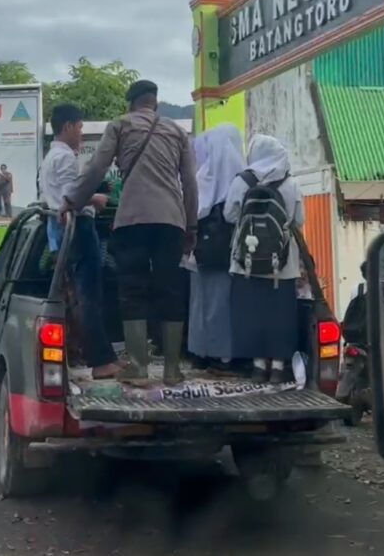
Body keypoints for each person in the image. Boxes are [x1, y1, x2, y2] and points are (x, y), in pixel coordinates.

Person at [62, 80, 198, 386]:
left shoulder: (120, 126)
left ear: (131, 103)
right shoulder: (176, 131)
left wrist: (73, 200)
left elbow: (97, 168)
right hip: (171, 220)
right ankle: (172, 369)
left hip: (133, 219)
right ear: (155, 103)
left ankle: (138, 367)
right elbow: (190, 182)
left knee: (132, 288)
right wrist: (191, 226)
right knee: (170, 289)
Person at [40, 104, 119, 379]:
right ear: (68, 126)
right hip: (79, 228)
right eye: (79, 127)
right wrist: (95, 199)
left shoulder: (50, 157)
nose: (81, 133)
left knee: (79, 297)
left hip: (64, 231)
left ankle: (97, 356)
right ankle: (100, 361)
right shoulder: (65, 158)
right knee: (89, 296)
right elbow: (70, 197)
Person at [224, 135, 303, 385]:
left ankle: (258, 367)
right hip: (282, 265)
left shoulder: (242, 181)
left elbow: (229, 215)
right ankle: (278, 368)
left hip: (245, 262)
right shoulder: (291, 183)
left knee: (251, 315)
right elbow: (299, 220)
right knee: (279, 316)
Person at [187, 124, 246, 367]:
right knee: (224, 302)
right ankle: (224, 354)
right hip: (231, 250)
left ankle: (200, 351)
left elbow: (195, 209)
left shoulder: (202, 176)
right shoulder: (243, 177)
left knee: (200, 301)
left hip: (202, 249)